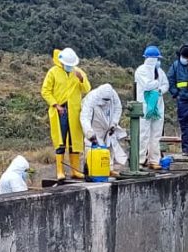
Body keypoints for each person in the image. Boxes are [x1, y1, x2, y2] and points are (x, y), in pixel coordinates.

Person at [41, 47, 91, 180]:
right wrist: (56, 105)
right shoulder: (53, 72)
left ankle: (75, 171)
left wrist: (81, 79)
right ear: (61, 62)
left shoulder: (79, 72)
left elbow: (87, 89)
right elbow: (45, 91)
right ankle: (60, 171)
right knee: (60, 141)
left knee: (75, 141)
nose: (70, 67)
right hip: (60, 111)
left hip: (74, 111)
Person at [134, 45, 169, 169]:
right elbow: (148, 85)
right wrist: (157, 84)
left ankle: (154, 160)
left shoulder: (160, 71)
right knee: (143, 133)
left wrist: (159, 89)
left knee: (156, 134)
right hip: (145, 105)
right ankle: (139, 159)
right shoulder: (141, 70)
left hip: (158, 106)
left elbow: (166, 85)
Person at [80, 83, 127, 170]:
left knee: (109, 144)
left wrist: (114, 123)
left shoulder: (113, 95)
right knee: (91, 145)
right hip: (95, 123)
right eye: (104, 99)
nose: (105, 101)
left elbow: (118, 108)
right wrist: (89, 133)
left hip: (107, 123)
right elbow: (85, 117)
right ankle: (91, 169)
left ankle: (108, 169)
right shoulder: (92, 98)